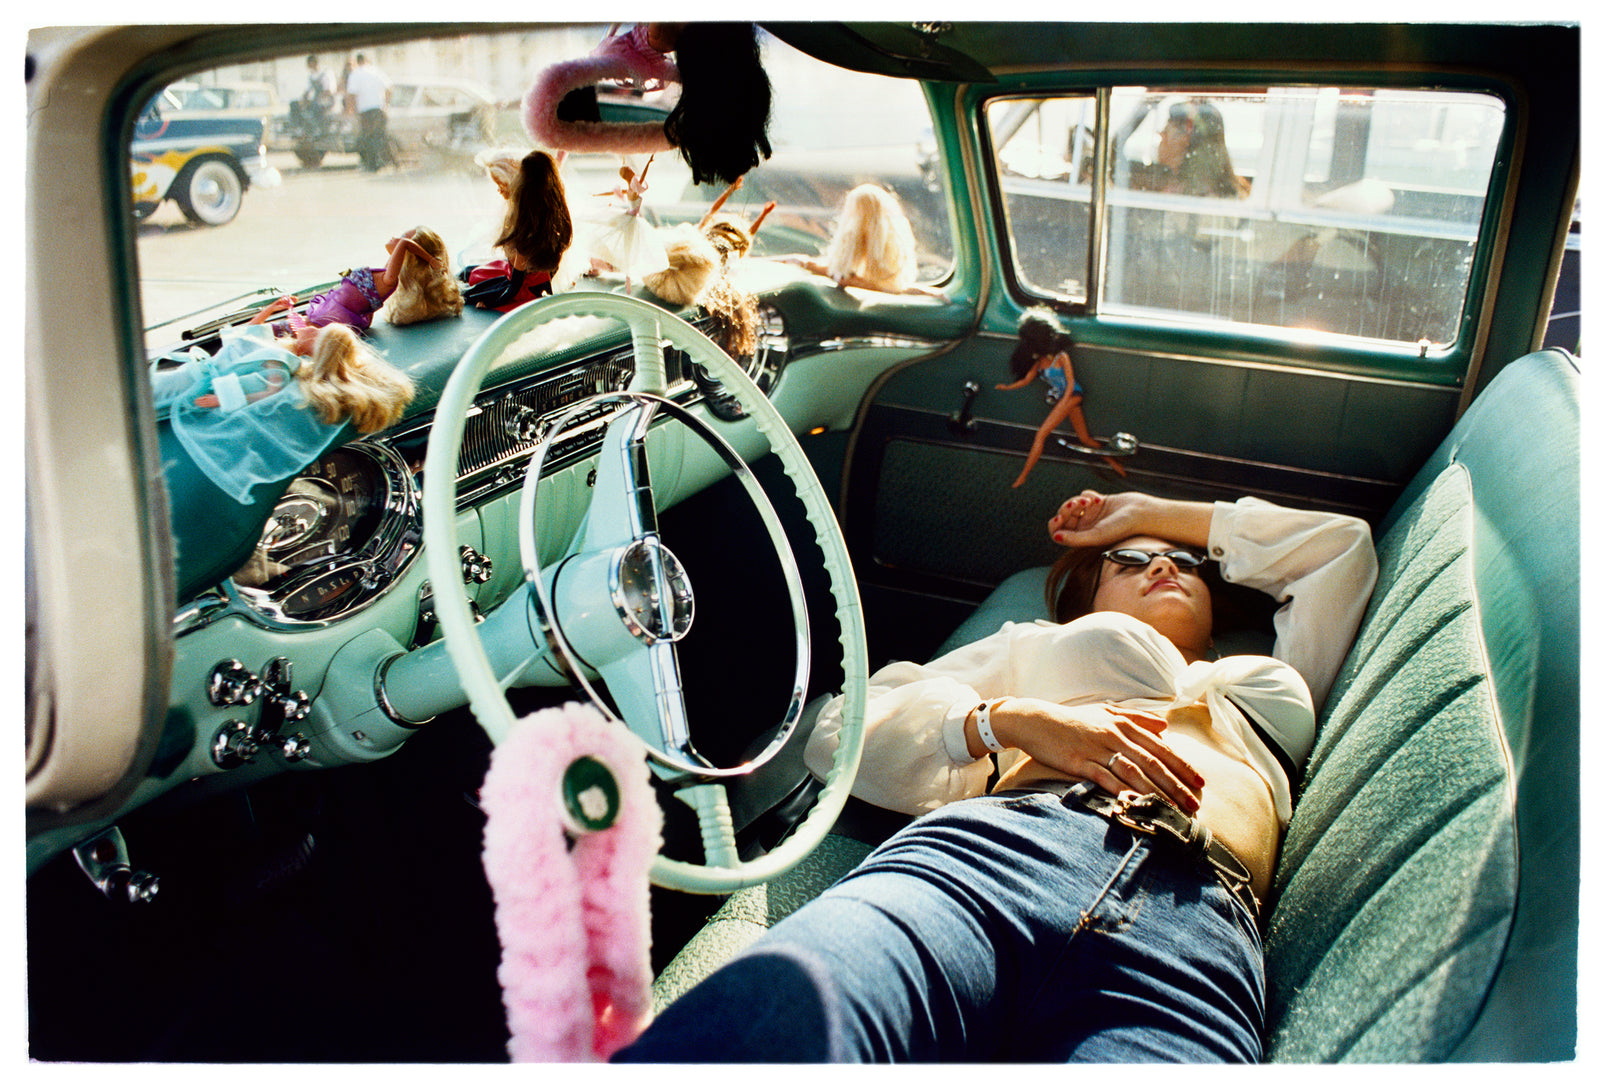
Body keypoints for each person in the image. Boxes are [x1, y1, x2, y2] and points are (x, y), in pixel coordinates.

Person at [613, 489, 1376, 1062]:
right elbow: (839, 730)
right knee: (764, 1028)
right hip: (998, 858)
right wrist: (1005, 720)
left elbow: (1340, 548)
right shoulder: (1040, 643)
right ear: (1087, 599)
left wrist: (1143, 511)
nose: (1163, 565)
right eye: (1129, 560)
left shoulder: (1283, 668)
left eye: (1179, 561)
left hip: (1198, 930)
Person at [996, 307, 1124, 485]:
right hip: (1065, 398)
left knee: (1041, 434)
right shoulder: (1039, 362)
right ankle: (1115, 464)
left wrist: (1063, 402)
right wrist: (1007, 387)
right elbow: (1026, 380)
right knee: (1084, 438)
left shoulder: (1061, 357)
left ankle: (1023, 476)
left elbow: (1071, 383)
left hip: (1072, 396)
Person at [271, 228, 460, 334]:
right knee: (286, 329)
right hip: (332, 311)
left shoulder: (388, 281)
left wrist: (430, 260)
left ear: (408, 253)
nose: (396, 237)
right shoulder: (385, 275)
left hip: (334, 317)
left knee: (287, 331)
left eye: (402, 237)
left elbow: (403, 245)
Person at [465, 149, 574, 310]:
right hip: (535, 284)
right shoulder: (556, 222)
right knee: (471, 275)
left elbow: (514, 287)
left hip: (524, 292)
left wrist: (490, 302)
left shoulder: (526, 232)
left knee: (469, 293)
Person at [344, 52, 393, 172]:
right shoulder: (376, 71)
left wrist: (350, 110)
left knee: (368, 137)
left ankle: (372, 164)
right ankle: (382, 162)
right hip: (378, 109)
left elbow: (351, 95)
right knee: (379, 136)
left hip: (365, 111)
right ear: (367, 60)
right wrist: (386, 105)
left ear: (358, 61)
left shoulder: (355, 74)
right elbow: (389, 87)